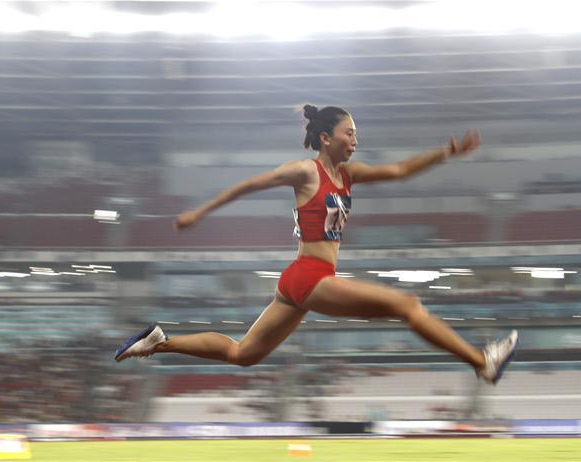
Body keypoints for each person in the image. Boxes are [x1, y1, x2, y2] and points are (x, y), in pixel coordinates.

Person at [115, 105, 518, 384]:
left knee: (243, 354)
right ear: (326, 138)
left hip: (301, 281)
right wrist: (199, 213)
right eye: (349, 133)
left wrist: (445, 153)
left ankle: (158, 343)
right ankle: (481, 362)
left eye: (357, 134)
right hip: (310, 276)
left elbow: (398, 170)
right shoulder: (305, 172)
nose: (355, 140)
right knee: (407, 305)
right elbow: (250, 184)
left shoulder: (349, 175)